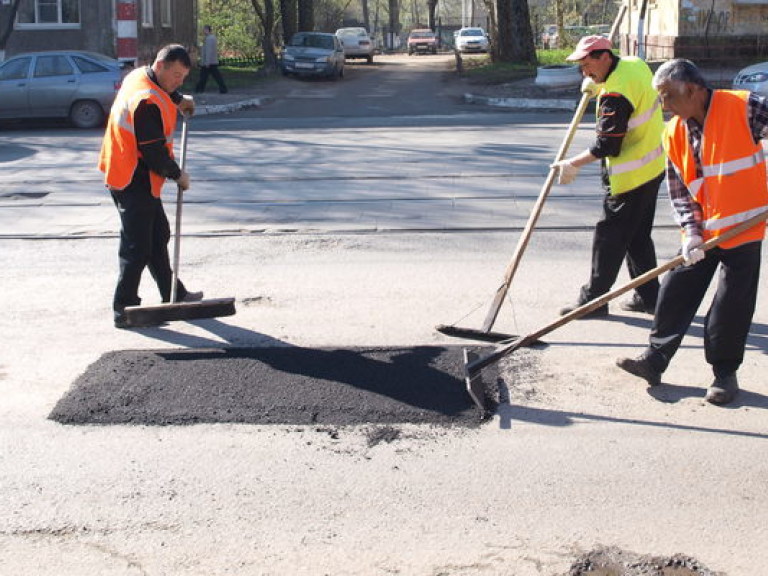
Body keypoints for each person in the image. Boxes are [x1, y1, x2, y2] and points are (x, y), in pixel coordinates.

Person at [616, 58, 768, 405]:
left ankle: (724, 375)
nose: (664, 106)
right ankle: (654, 360)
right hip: (704, 230)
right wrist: (691, 232)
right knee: (674, 289)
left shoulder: (743, 107)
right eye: (661, 99)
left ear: (695, 90)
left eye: (669, 96)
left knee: (730, 305)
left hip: (744, 227)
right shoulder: (673, 132)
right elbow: (680, 189)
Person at [551, 35, 665, 318]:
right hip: (653, 167)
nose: (584, 72)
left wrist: (572, 163)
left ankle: (593, 301)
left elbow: (607, 145)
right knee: (637, 237)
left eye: (587, 64)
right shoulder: (634, 64)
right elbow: (628, 83)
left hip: (631, 177)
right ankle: (650, 296)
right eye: (580, 66)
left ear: (604, 57)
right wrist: (597, 83)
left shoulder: (615, 94)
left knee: (609, 238)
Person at [99, 44, 203, 329]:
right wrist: (178, 174)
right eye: (177, 76)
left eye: (183, 77)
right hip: (131, 176)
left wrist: (179, 99)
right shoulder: (146, 101)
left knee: (158, 235)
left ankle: (174, 293)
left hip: (134, 172)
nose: (178, 81)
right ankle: (124, 308)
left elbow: (163, 90)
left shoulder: (140, 76)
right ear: (161, 67)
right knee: (138, 245)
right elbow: (154, 152)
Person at [195, 25, 228, 94]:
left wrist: (207, 62)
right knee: (210, 76)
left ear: (208, 30)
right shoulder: (210, 38)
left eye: (204, 30)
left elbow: (208, 51)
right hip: (211, 61)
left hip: (209, 62)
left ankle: (199, 89)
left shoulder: (209, 39)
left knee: (205, 76)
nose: (203, 31)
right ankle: (200, 89)